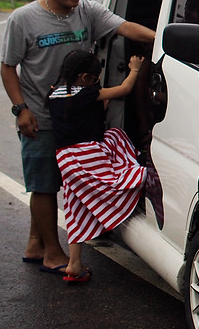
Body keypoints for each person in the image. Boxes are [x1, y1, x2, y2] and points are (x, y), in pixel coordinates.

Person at [0, 0, 156, 273]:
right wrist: (21, 109)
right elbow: (8, 67)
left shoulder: (88, 10)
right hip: (40, 118)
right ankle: (52, 254)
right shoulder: (23, 19)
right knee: (43, 186)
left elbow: (127, 29)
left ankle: (35, 241)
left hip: (77, 117)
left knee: (65, 182)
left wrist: (165, 41)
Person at [48, 51, 157, 282]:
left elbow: (80, 114)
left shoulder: (54, 94)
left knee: (75, 205)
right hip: (87, 154)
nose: (98, 82)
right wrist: (135, 69)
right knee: (114, 178)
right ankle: (146, 175)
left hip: (65, 159)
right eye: (96, 78)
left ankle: (74, 264)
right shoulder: (89, 94)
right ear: (86, 77)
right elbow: (124, 89)